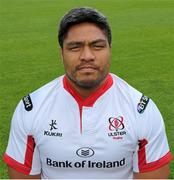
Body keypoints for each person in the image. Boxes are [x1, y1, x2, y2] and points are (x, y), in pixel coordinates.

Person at [3, 7, 173, 179]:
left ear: (110, 50)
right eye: (75, 47)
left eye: (97, 46)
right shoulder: (31, 109)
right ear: (61, 53)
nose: (87, 56)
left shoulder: (142, 110)